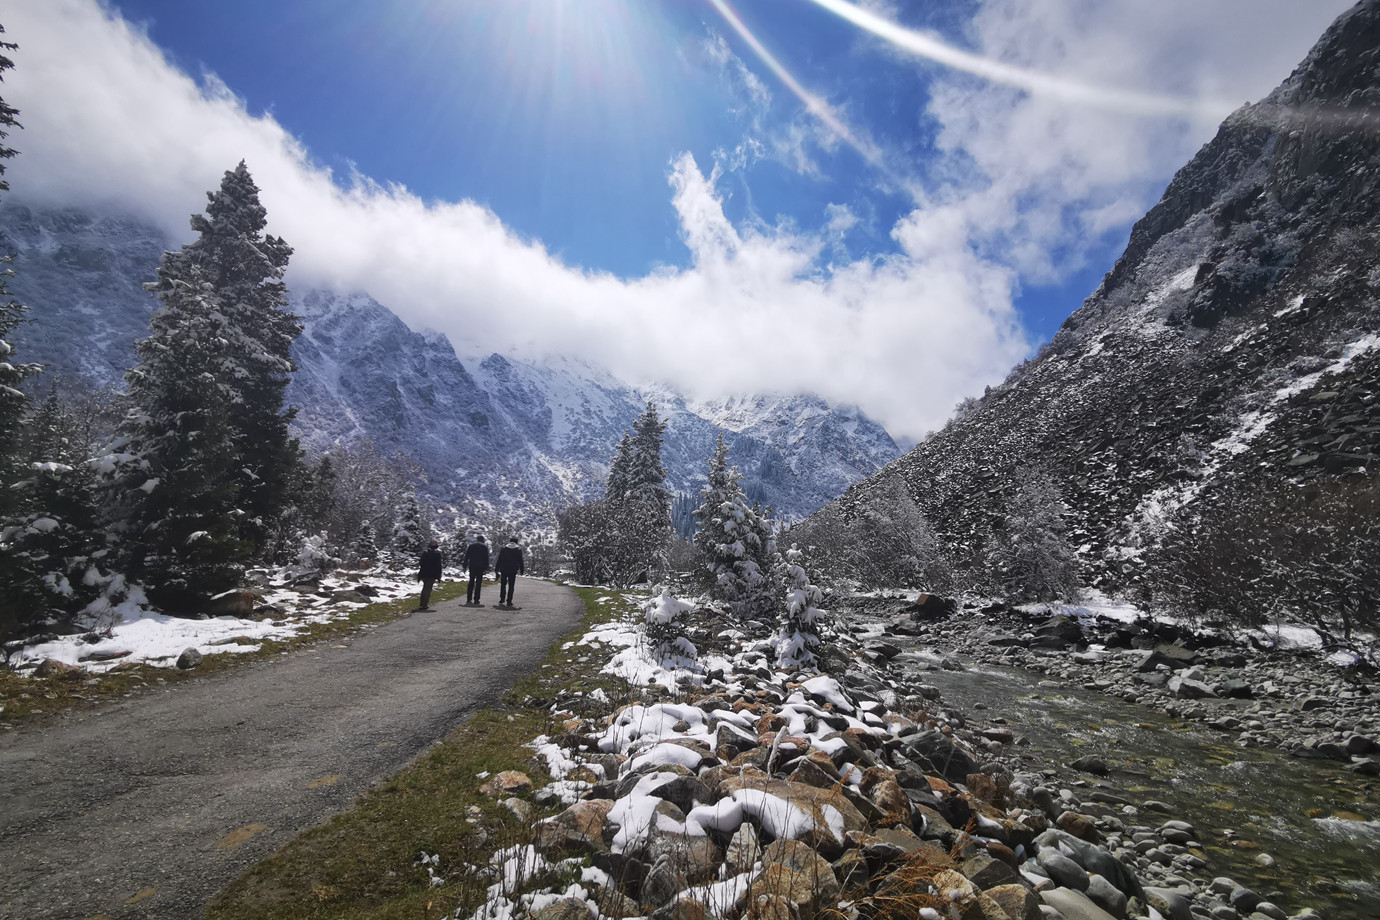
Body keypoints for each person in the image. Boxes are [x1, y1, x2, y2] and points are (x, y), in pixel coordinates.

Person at [494, 537, 525, 608]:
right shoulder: (518, 550)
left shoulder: (504, 549)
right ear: (516, 542)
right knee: (511, 586)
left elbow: (500, 559)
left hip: (504, 569)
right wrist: (522, 570)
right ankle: (509, 601)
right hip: (513, 570)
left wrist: (497, 569)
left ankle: (502, 598)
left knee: (503, 585)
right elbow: (520, 561)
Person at [462, 535, 490, 605]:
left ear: (477, 540)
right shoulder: (484, 547)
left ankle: (469, 599)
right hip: (480, 567)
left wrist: (465, 566)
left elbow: (466, 557)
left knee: (471, 581)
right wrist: (486, 568)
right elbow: (486, 559)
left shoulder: (471, 546)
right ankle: (476, 599)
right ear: (483, 540)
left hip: (472, 566)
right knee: (478, 583)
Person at [417, 539, 443, 611]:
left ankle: (422, 603)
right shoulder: (437, 554)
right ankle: (424, 604)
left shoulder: (425, 553)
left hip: (424, 573)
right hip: (432, 574)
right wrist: (439, 575)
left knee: (425, 588)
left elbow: (421, 562)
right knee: (428, 589)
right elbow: (439, 565)